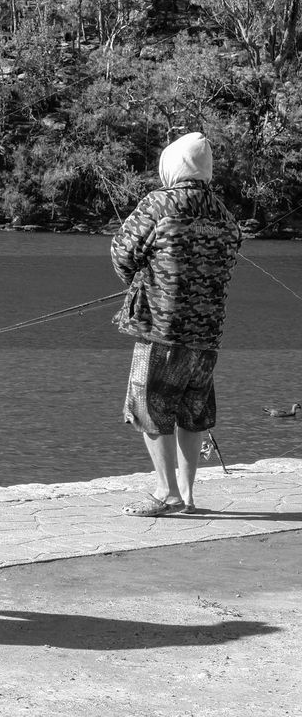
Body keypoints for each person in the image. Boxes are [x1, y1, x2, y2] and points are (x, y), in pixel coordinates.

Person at [110, 131, 241, 517]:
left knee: (151, 406)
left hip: (161, 327)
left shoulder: (158, 203)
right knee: (191, 409)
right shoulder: (225, 214)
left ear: (174, 164)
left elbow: (121, 252)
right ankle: (187, 495)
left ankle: (166, 493)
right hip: (207, 332)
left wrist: (144, 277)